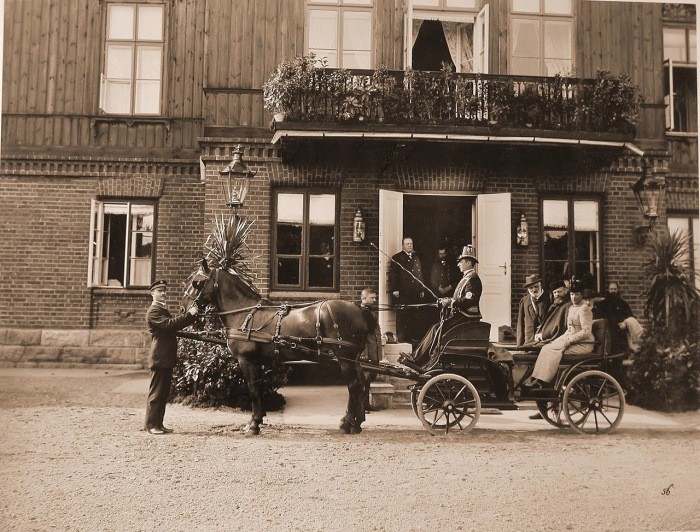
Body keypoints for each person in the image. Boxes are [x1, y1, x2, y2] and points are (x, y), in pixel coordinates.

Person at [410, 245, 481, 367]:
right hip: (462, 316)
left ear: (468, 263)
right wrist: (448, 300)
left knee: (437, 328)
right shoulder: (467, 278)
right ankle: (418, 358)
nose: (458, 264)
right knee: (435, 327)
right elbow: (459, 298)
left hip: (466, 317)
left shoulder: (472, 279)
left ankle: (418, 360)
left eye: (461, 262)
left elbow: (469, 300)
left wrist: (450, 302)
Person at [145, 279, 198, 435]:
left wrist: (192, 316)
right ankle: (151, 425)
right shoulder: (154, 311)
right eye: (159, 291)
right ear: (152, 293)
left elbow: (173, 326)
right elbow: (169, 325)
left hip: (165, 356)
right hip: (159, 356)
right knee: (156, 393)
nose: (163, 293)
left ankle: (158, 424)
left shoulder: (161, 309)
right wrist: (189, 314)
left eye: (164, 291)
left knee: (163, 393)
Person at [525, 280, 594, 389]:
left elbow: (586, 331)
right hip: (571, 340)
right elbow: (569, 330)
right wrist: (556, 341)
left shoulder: (584, 308)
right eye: (572, 294)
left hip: (583, 343)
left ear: (581, 295)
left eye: (577, 294)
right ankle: (538, 380)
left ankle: (545, 382)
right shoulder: (572, 308)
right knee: (546, 348)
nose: (574, 297)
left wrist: (570, 340)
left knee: (553, 351)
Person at [388, 237, 426, 345]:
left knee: (414, 315)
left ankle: (412, 338)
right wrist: (395, 289)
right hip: (403, 292)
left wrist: (422, 288)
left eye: (411, 244)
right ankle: (401, 338)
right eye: (407, 244)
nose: (409, 246)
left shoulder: (416, 258)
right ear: (402, 245)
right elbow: (393, 275)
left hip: (415, 292)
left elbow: (420, 275)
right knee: (403, 315)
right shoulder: (397, 258)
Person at [356, 288, 382, 413]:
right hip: (366, 352)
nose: (375, 300)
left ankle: (366, 404)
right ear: (364, 298)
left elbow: (375, 332)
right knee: (363, 379)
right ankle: (361, 406)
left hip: (374, 351)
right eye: (372, 298)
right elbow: (362, 335)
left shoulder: (371, 311)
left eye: (375, 297)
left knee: (370, 378)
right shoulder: (360, 312)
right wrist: (364, 353)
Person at [597, 281, 640, 354]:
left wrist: (625, 323)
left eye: (615, 289)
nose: (613, 291)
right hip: (607, 331)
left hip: (620, 331)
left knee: (620, 353)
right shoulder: (602, 304)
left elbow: (630, 317)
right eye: (611, 289)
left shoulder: (623, 304)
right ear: (608, 290)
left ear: (618, 290)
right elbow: (599, 317)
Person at [527, 280, 572, 346]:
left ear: (565, 291)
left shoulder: (568, 305)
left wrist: (543, 335)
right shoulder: (554, 306)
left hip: (557, 339)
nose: (557, 294)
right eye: (555, 292)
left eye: (559, 292)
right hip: (545, 337)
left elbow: (561, 326)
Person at [516, 274, 550, 346]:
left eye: (536, 286)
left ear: (540, 285)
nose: (534, 290)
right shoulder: (524, 301)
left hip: (545, 340)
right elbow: (520, 324)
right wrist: (519, 345)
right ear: (528, 289)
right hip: (529, 341)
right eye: (531, 288)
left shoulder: (550, 298)